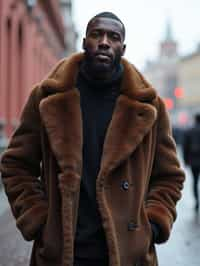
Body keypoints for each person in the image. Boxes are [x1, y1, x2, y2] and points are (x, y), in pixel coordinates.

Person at [0, 12, 185, 266]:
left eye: (114, 37)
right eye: (97, 34)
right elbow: (15, 165)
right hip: (61, 254)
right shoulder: (47, 98)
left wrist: (151, 224)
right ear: (84, 41)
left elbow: (169, 176)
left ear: (123, 48)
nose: (105, 42)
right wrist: (40, 221)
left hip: (129, 255)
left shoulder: (148, 106)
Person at [183, 113, 200, 212]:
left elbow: (185, 147)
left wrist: (186, 160)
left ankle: (197, 200)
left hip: (193, 161)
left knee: (195, 181)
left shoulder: (189, 131)